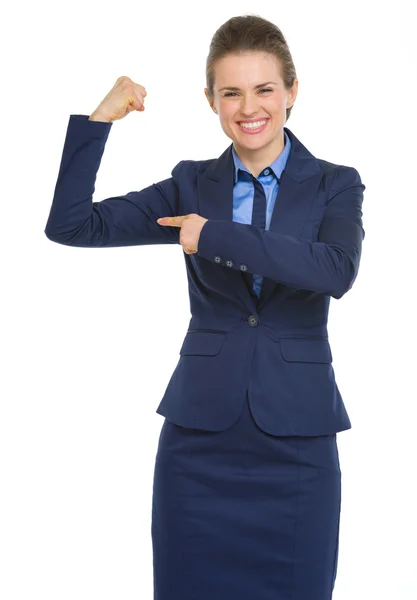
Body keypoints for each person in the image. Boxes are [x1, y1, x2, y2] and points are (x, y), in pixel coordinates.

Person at [44, 13, 366, 600]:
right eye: (231, 92)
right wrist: (98, 122)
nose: (250, 107)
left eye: (265, 88)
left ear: (292, 91)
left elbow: (335, 270)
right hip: (199, 445)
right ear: (211, 100)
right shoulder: (190, 184)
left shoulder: (335, 184)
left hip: (297, 442)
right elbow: (71, 226)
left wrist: (214, 236)